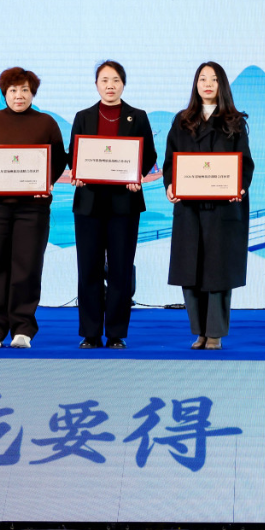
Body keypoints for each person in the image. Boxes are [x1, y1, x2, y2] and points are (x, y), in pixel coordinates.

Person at [0, 67, 68, 350]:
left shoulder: (46, 123)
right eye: (12, 90)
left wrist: (48, 180)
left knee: (27, 268)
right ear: (4, 93)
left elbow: (59, 158)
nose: (18, 96)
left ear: (33, 93)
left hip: (33, 208)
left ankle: (23, 328)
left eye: (24, 90)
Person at [164, 62, 255, 350]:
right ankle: (199, 332)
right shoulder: (181, 121)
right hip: (189, 208)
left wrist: (240, 186)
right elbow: (170, 161)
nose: (207, 84)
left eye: (213, 79)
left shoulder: (234, 121)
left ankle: (214, 332)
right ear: (196, 84)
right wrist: (170, 185)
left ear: (221, 85)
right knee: (189, 270)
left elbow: (245, 162)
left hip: (223, 209)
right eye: (202, 78)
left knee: (218, 271)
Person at [68, 60, 158, 350]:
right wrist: (77, 172)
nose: (110, 86)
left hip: (124, 203)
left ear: (123, 84)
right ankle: (91, 333)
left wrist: (137, 176)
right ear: (96, 85)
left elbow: (149, 154)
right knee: (89, 270)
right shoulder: (83, 116)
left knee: (120, 270)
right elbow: (73, 155)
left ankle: (117, 333)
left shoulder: (138, 116)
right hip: (89, 204)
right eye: (104, 80)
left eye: (116, 80)